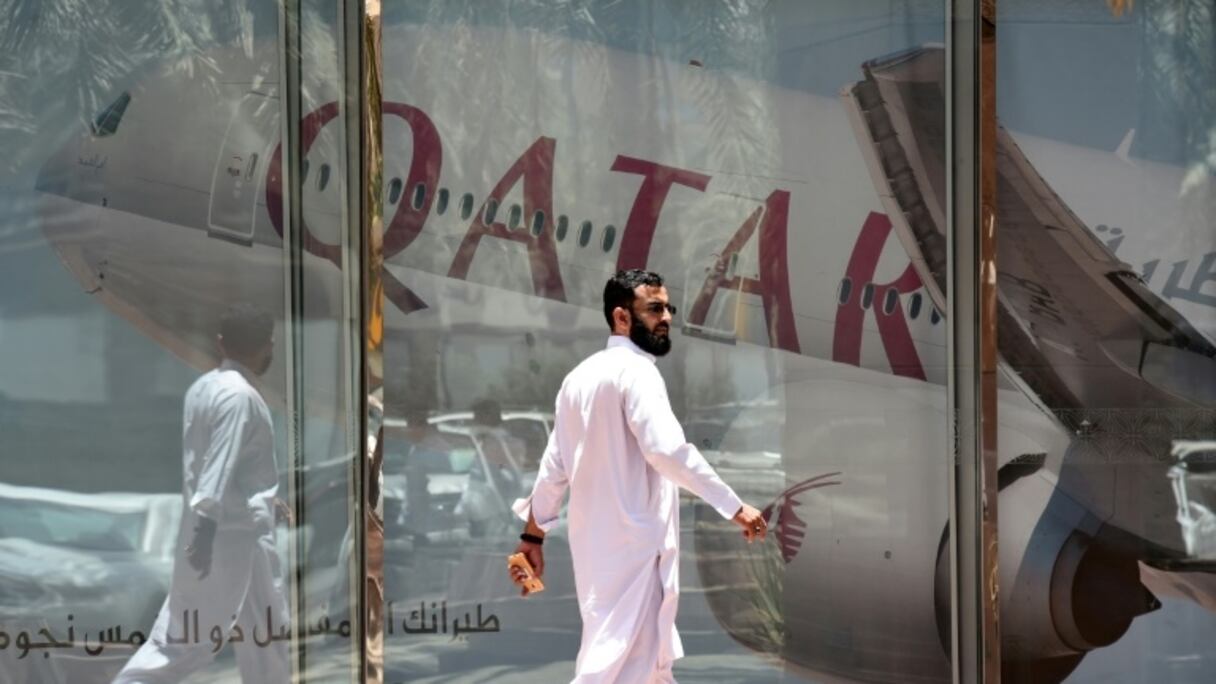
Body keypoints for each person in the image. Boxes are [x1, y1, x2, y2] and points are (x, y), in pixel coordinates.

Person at [508, 269, 768, 683]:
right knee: (615, 668)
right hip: (636, 550)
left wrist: (532, 537)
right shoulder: (638, 373)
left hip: (598, 553)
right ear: (621, 318)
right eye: (654, 309)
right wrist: (733, 506)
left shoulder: (578, 379)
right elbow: (666, 450)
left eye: (668, 308)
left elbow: (554, 468)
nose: (666, 318)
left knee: (640, 666)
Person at [113, 304, 289, 684]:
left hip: (234, 532)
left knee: (266, 636)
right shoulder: (240, 396)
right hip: (226, 539)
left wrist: (264, 499)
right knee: (185, 642)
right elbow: (218, 465)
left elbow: (219, 464)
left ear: (220, 343)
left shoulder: (203, 388)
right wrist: (206, 531)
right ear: (269, 344)